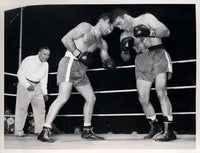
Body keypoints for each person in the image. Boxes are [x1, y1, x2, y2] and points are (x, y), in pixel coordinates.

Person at [37, 13, 116, 142]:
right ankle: (45, 130)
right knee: (63, 97)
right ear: (102, 21)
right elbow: (66, 39)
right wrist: (78, 54)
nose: (110, 29)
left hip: (82, 70)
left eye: (113, 28)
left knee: (91, 98)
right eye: (110, 25)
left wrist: (109, 63)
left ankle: (86, 131)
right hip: (70, 62)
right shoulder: (86, 27)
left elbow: (105, 58)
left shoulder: (102, 43)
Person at [110, 8, 177, 141]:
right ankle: (155, 127)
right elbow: (125, 58)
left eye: (119, 23)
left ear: (125, 16)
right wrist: (125, 50)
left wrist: (150, 32)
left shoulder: (146, 18)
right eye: (117, 26)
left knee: (161, 91)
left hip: (157, 53)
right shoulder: (123, 35)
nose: (120, 27)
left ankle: (169, 131)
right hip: (141, 60)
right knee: (143, 98)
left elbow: (166, 32)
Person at [14, 47, 50, 137]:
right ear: (39, 53)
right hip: (25, 83)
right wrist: (27, 85)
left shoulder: (46, 64)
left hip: (37, 86)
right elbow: (20, 74)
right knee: (22, 108)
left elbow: (44, 80)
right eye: (44, 54)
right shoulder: (29, 59)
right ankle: (18, 131)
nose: (46, 56)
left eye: (48, 55)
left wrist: (45, 93)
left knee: (41, 108)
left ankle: (40, 131)